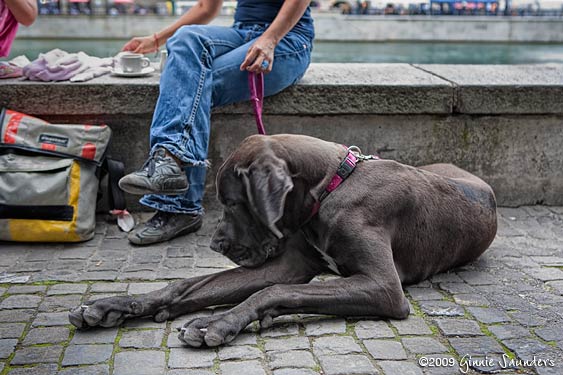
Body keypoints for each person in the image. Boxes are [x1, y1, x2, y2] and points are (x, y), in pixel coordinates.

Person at [118, 0, 314, 245]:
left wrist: (270, 39)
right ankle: (168, 165)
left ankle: (178, 204)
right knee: (185, 38)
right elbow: (206, 8)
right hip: (243, 32)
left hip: (287, 40)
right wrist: (156, 39)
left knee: (194, 84)